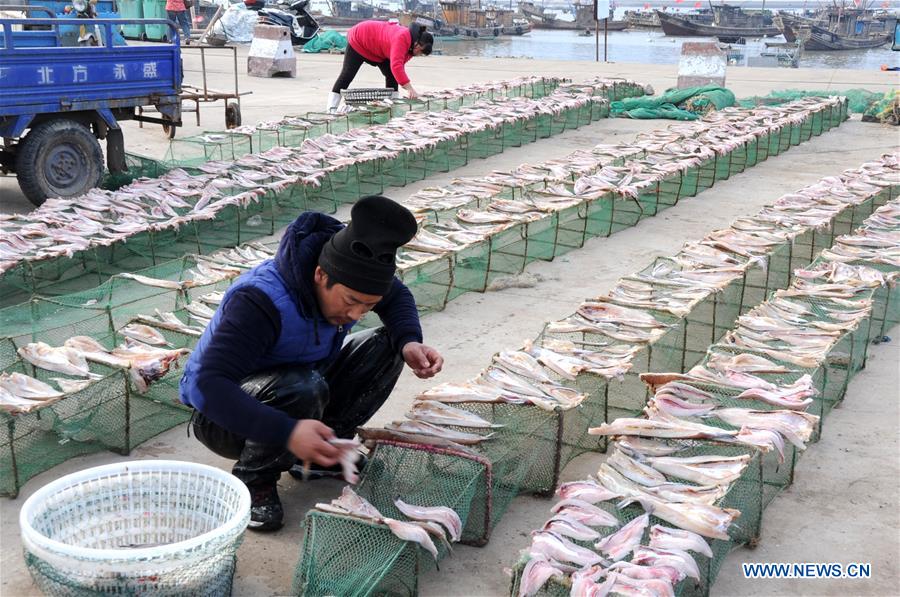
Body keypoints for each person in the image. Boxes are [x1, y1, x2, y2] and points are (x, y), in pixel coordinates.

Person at [180, 196, 444, 531]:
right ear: (321, 275)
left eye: (367, 306)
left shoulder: (354, 281)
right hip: (225, 417)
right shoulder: (258, 301)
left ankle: (318, 454)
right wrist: (287, 431)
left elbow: (396, 297)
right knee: (303, 387)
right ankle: (254, 479)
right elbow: (208, 387)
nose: (355, 315)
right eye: (351, 302)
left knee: (388, 345)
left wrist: (409, 340)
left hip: (303, 387)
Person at [327, 21, 433, 112]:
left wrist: (406, 85)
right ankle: (331, 109)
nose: (419, 54)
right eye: (420, 51)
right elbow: (396, 66)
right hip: (360, 39)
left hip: (379, 50)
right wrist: (410, 89)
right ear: (418, 44)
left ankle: (392, 106)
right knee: (347, 75)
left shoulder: (412, 48)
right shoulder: (402, 38)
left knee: (392, 75)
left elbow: (399, 66)